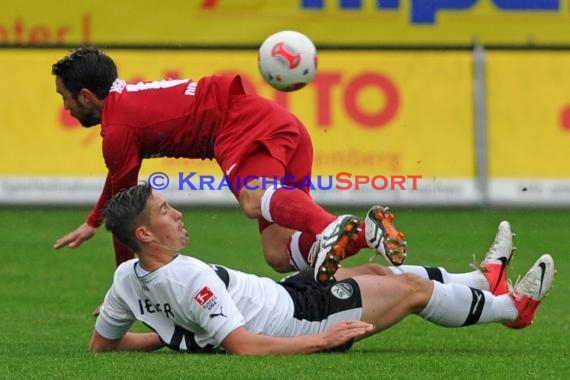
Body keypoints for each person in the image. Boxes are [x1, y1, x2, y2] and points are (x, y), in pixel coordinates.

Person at [51, 46, 407, 283]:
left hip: (243, 125)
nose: (65, 108)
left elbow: (126, 213)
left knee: (253, 200)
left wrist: (125, 288)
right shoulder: (125, 102)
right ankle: (368, 233)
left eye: (64, 97)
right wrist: (93, 222)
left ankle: (331, 225)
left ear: (85, 95)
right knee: (279, 254)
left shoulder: (118, 128)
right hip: (276, 123)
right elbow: (118, 185)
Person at [90, 183, 555, 354]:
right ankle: (511, 309)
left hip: (285, 293)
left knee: (374, 273)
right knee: (411, 289)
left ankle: (480, 281)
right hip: (301, 321)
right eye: (166, 211)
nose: (178, 215)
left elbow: (102, 345)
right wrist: (322, 340)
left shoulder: (125, 278)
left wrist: (169, 336)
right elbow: (244, 346)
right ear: (145, 235)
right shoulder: (187, 275)